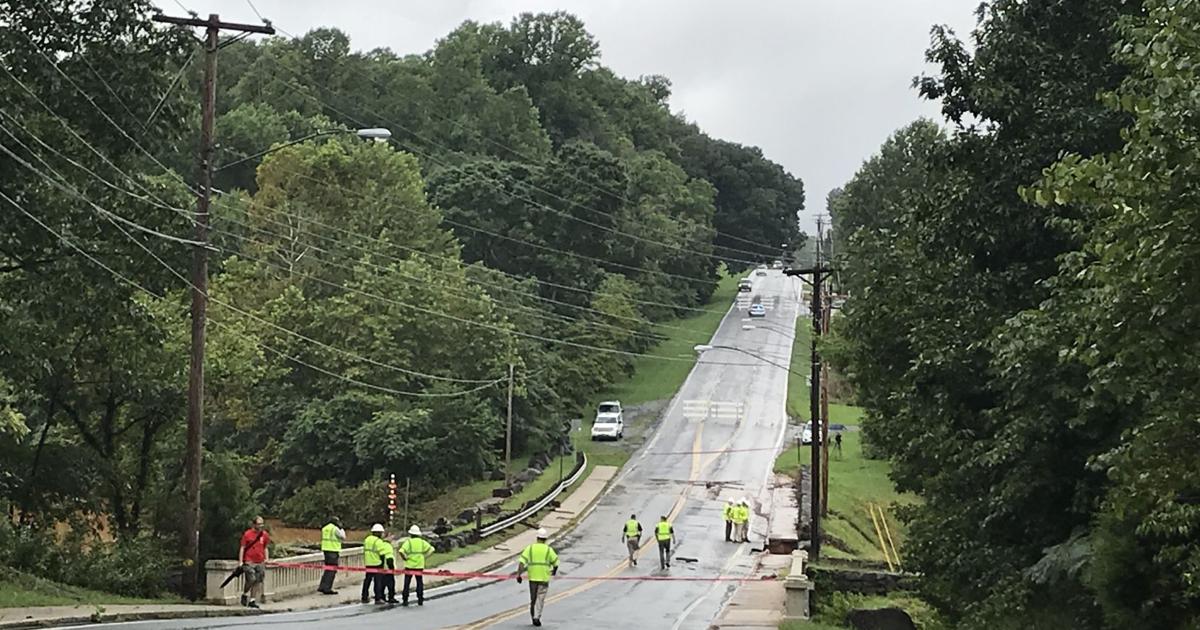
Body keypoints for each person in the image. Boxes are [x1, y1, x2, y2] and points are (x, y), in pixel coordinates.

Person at [516, 528, 558, 627]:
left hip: (533, 578)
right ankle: (537, 617)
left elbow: (522, 562)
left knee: (533, 599)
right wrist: (554, 571)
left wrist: (519, 575)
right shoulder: (548, 550)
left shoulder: (530, 548)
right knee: (540, 598)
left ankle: (533, 617)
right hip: (543, 578)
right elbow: (556, 563)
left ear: (537, 538)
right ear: (545, 539)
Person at [238, 516, 270, 608]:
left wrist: (267, 558)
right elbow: (242, 547)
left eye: (262, 524)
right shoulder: (247, 534)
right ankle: (245, 594)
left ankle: (252, 600)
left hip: (260, 561)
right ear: (254, 524)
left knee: (258, 580)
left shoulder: (264, 535)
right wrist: (241, 561)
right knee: (251, 579)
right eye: (259, 524)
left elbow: (265, 547)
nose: (261, 526)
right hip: (249, 561)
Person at [399, 525, 435, 606]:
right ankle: (420, 598)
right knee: (419, 582)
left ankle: (405, 599)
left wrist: (405, 558)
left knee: (407, 583)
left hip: (409, 565)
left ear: (410, 534)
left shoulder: (408, 542)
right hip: (419, 565)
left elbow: (401, 551)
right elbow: (432, 549)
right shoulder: (422, 542)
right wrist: (425, 556)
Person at [317, 516, 345, 595]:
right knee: (332, 570)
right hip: (333, 551)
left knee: (327, 569)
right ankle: (327, 588)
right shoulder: (335, 529)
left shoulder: (325, 528)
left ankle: (322, 586)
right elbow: (343, 537)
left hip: (326, 550)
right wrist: (341, 528)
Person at [361, 523, 385, 604]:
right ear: (378, 533)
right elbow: (382, 554)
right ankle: (378, 598)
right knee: (378, 582)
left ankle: (364, 597)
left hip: (368, 563)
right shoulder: (378, 541)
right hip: (377, 563)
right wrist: (382, 564)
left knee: (367, 581)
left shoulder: (367, 539)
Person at [378, 533, 397, 604]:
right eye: (391, 536)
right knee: (391, 583)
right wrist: (392, 568)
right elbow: (389, 557)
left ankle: (382, 596)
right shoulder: (388, 546)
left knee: (382, 583)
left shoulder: (381, 544)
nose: (392, 538)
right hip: (388, 566)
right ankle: (391, 597)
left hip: (381, 566)